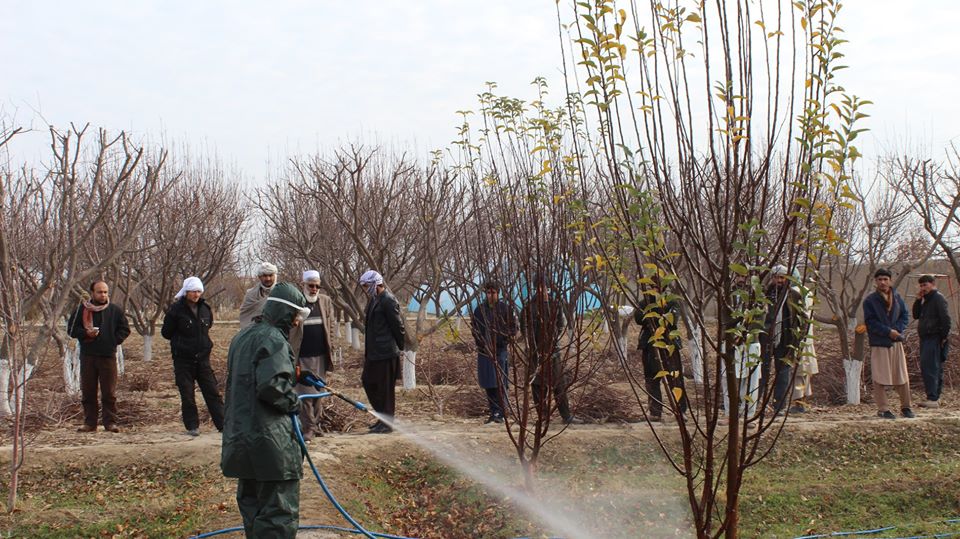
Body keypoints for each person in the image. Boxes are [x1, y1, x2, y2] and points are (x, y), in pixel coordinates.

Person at [221, 282, 311, 539]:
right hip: (272, 444)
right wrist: (295, 402)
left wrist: (290, 371)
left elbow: (250, 377)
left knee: (253, 508)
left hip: (242, 441)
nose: (296, 323)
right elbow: (272, 388)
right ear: (285, 312)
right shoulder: (274, 340)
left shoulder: (243, 337)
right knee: (277, 513)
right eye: (295, 316)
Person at [161, 276, 225, 436]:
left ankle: (223, 425)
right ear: (186, 292)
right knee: (187, 394)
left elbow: (208, 326)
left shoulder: (205, 309)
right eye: (192, 291)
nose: (196, 295)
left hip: (203, 360)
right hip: (183, 360)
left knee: (212, 393)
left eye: (198, 291)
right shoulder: (176, 310)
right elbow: (166, 333)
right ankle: (192, 426)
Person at [68, 281, 130, 433]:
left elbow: (125, 329)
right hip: (88, 355)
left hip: (108, 356)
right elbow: (71, 330)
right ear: (92, 293)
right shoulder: (81, 310)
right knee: (88, 391)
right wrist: (85, 334)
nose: (103, 295)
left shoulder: (114, 310)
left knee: (109, 392)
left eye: (105, 292)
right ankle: (90, 423)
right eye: (99, 292)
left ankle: (110, 423)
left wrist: (113, 341)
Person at [520, 276, 582, 425]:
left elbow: (560, 326)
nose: (542, 290)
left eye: (545, 286)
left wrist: (553, 341)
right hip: (536, 354)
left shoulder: (555, 304)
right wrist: (532, 346)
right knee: (537, 385)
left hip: (553, 352)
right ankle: (543, 417)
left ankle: (566, 416)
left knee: (558, 383)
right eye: (539, 286)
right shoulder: (529, 307)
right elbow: (524, 329)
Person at [288, 270, 336, 441]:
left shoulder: (325, 301)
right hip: (302, 356)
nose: (314, 289)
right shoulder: (296, 302)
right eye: (311, 285)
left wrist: (332, 346)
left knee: (318, 393)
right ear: (304, 285)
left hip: (321, 356)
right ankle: (308, 427)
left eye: (317, 286)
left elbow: (330, 326)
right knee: (305, 394)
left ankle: (315, 426)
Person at [863, 268, 914, 419]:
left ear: (890, 280)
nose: (882, 282)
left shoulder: (897, 297)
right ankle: (883, 409)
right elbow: (870, 322)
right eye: (879, 279)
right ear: (875, 281)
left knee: (902, 375)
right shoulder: (870, 300)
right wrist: (887, 331)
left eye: (885, 279)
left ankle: (906, 407)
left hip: (896, 341)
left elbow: (905, 315)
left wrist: (896, 330)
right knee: (880, 377)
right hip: (879, 342)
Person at [359, 270, 405, 434]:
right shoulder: (374, 300)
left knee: (385, 389)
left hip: (386, 352)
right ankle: (382, 418)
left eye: (366, 285)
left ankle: (387, 423)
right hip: (374, 352)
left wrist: (401, 347)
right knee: (368, 382)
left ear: (374, 284)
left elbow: (397, 325)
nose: (365, 289)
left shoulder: (388, 300)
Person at [634, 285, 688, 422]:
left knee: (675, 379)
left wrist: (654, 314)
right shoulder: (644, 302)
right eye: (651, 286)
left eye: (656, 286)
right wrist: (651, 308)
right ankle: (655, 412)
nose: (653, 289)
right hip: (649, 344)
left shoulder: (672, 301)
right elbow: (639, 318)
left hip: (669, 344)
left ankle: (680, 411)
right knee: (651, 379)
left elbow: (670, 320)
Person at [471, 280, 518, 424]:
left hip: (499, 351)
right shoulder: (479, 310)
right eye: (488, 292)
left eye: (493, 292)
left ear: (498, 293)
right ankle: (493, 411)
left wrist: (501, 341)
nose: (491, 295)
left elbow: (513, 329)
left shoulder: (505, 309)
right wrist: (483, 344)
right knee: (488, 382)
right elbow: (475, 329)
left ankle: (501, 412)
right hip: (484, 351)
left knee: (500, 382)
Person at [760, 265, 802, 415]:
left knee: (783, 374)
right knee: (761, 373)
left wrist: (797, 341)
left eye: (782, 277)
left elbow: (802, 320)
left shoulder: (794, 296)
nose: (779, 280)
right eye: (776, 277)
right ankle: (759, 405)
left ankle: (779, 407)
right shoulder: (764, 295)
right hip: (765, 340)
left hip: (785, 341)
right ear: (772, 278)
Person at [720, 275, 763, 420]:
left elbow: (759, 319)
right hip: (730, 342)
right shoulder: (726, 295)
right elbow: (723, 318)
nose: (741, 279)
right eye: (738, 275)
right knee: (727, 378)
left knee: (751, 381)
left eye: (744, 276)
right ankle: (729, 414)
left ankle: (748, 415)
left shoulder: (757, 296)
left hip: (750, 342)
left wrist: (743, 334)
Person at [912, 274, 951, 408]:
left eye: (925, 285)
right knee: (933, 367)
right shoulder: (925, 300)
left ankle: (932, 398)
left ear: (932, 284)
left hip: (934, 337)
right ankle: (935, 397)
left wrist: (943, 337)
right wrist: (918, 300)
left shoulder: (938, 298)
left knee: (930, 367)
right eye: (921, 285)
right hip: (926, 337)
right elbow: (916, 315)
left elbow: (945, 319)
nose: (923, 288)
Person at [790, 271, 819, 413]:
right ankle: (801, 401)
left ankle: (799, 403)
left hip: (798, 338)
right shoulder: (806, 291)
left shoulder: (794, 292)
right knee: (804, 372)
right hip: (806, 337)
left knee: (799, 372)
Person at [239, 262, 278, 329]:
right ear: (259, 277)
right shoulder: (251, 294)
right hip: (255, 332)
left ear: (275, 276)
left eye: (270, 275)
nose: (268, 279)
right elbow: (245, 315)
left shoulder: (281, 292)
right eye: (265, 276)